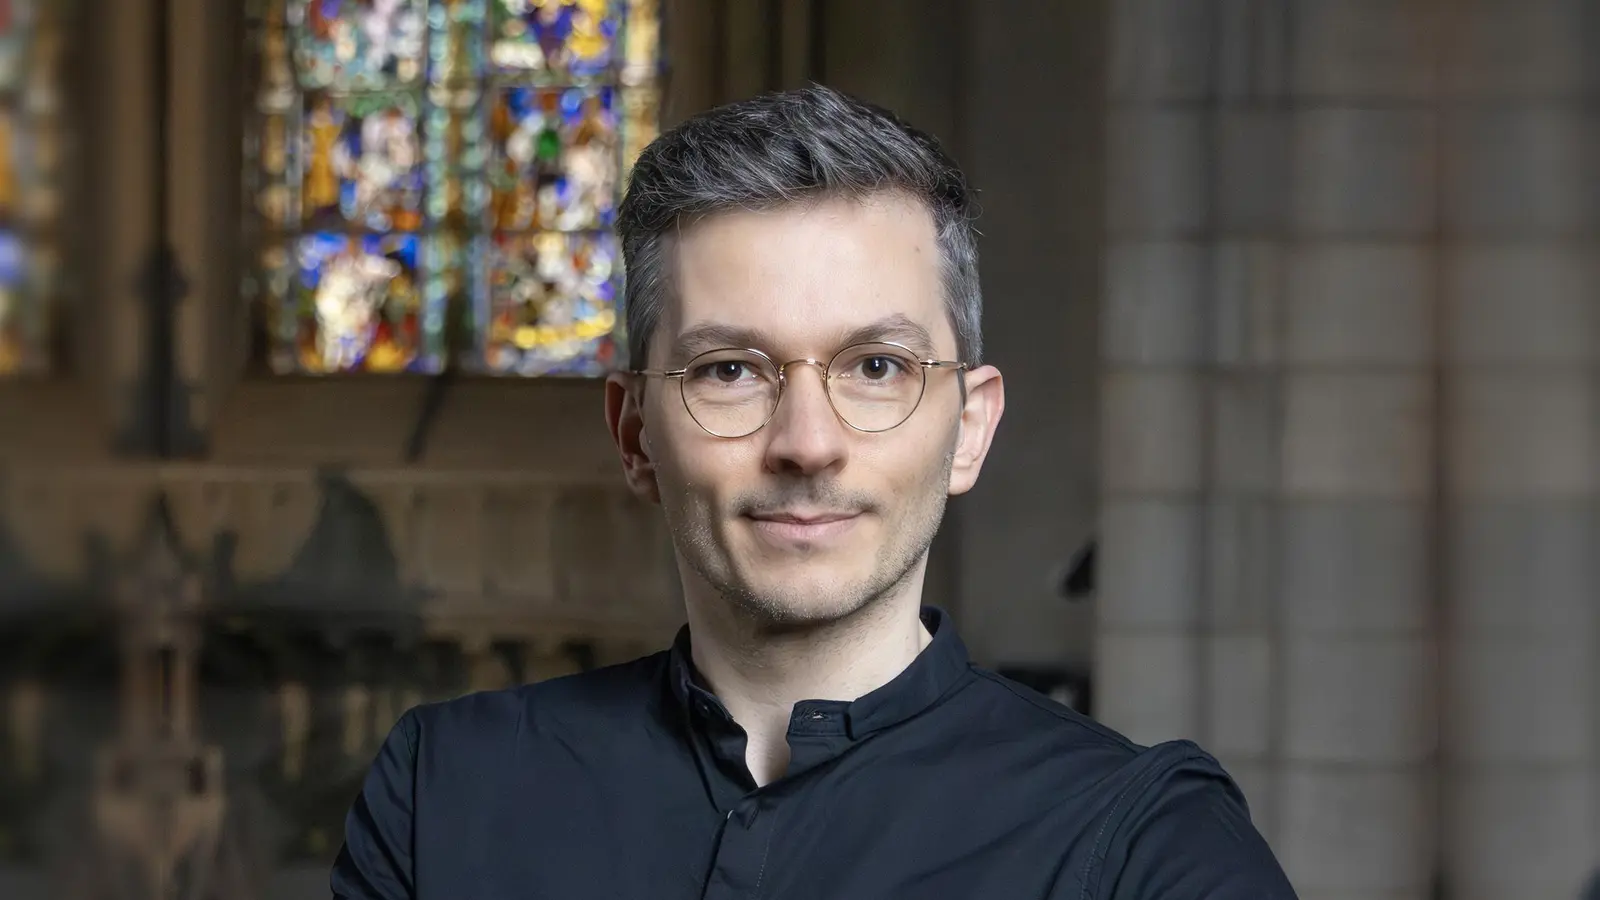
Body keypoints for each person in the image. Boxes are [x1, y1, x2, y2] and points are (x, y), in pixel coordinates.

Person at [331, 85, 1299, 899]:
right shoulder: (446, 789)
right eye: (729, 371)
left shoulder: (1145, 850)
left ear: (968, 428)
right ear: (633, 434)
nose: (807, 444)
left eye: (875, 367)